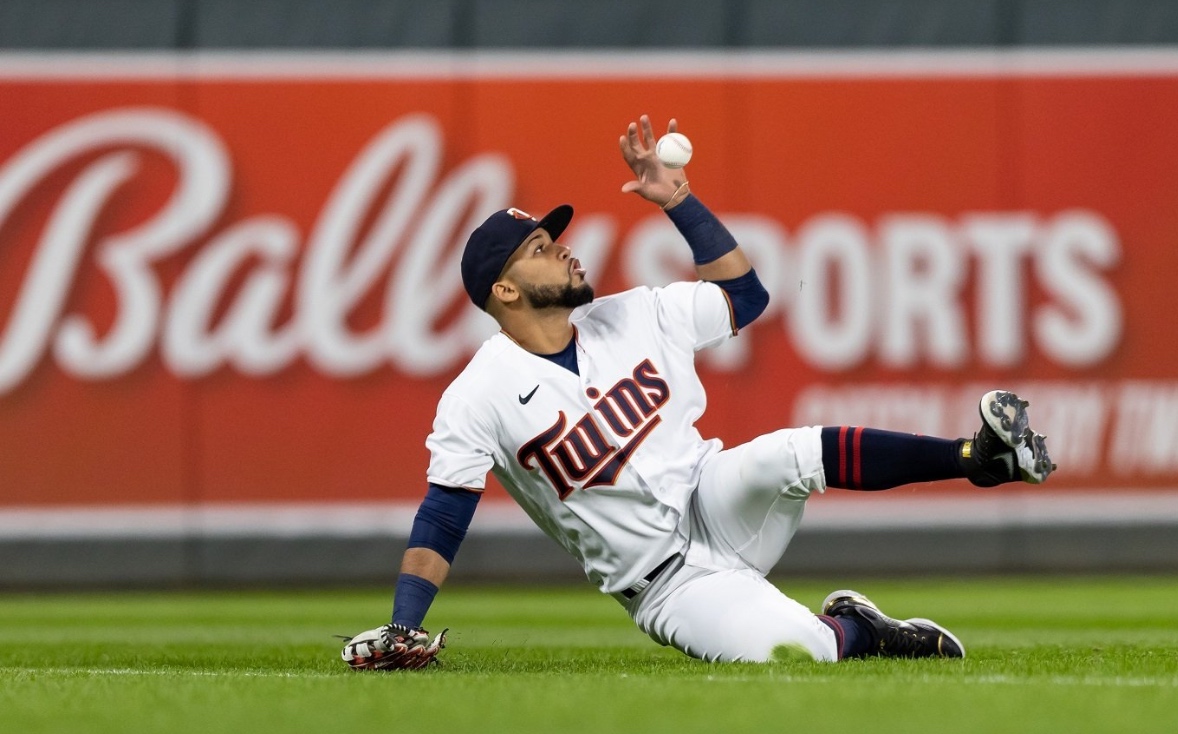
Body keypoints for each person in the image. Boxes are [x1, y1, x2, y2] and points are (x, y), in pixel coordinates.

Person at [340, 115, 1056, 669]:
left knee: (790, 452)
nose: (561, 247)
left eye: (553, 239)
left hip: (716, 497)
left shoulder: (635, 312)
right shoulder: (479, 394)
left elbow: (745, 294)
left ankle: (976, 457)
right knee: (798, 654)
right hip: (664, 585)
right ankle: (859, 631)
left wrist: (676, 199)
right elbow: (443, 513)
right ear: (505, 290)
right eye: (539, 249)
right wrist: (406, 622)